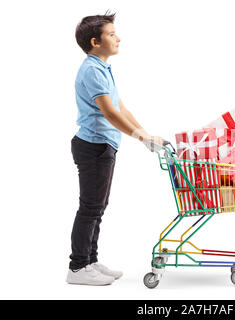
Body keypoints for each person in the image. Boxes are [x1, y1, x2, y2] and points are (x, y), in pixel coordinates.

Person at [67, 12, 163, 286]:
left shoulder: (103, 68)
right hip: (93, 146)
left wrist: (145, 134)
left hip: (102, 145)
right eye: (111, 34)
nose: (118, 38)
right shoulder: (92, 70)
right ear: (95, 42)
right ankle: (77, 267)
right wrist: (139, 137)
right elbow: (109, 113)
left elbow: (121, 107)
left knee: (98, 206)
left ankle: (90, 260)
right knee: (90, 208)